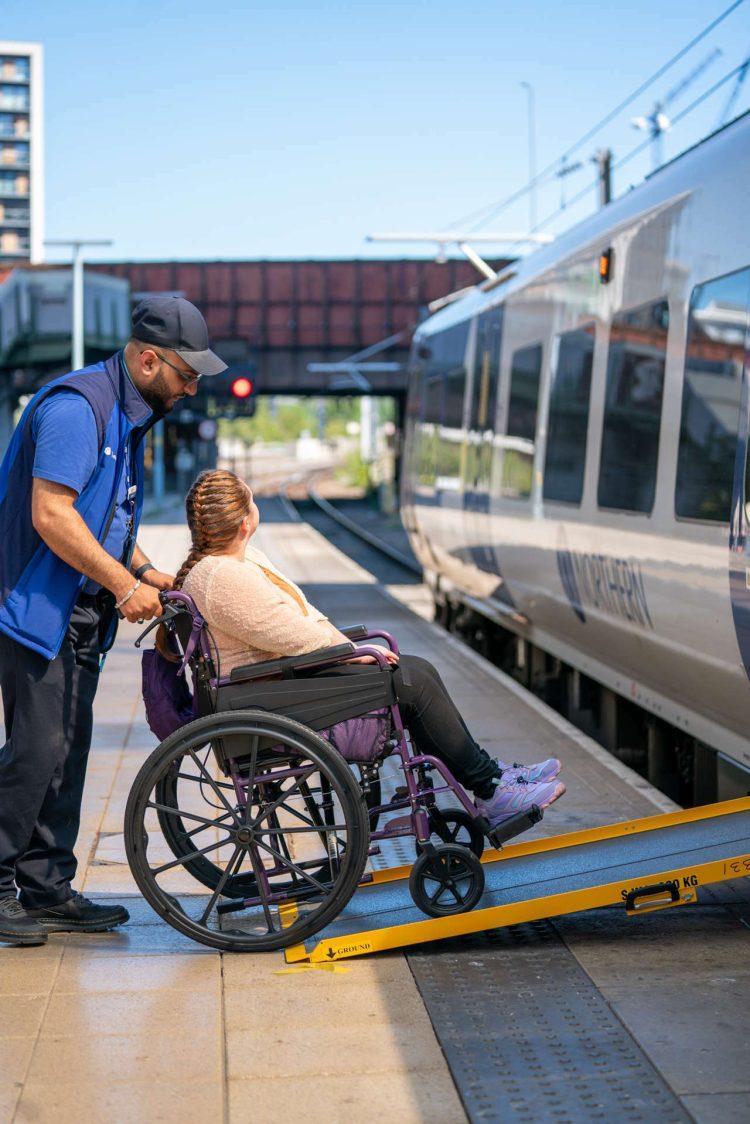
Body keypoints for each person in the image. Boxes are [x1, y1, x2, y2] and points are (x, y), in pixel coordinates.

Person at [0, 295, 228, 947]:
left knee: (67, 748)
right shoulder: (79, 409)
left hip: (74, 613)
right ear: (149, 360)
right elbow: (53, 515)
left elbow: (107, 521)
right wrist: (122, 584)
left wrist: (148, 570)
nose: (191, 390)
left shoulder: (127, 419)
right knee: (36, 747)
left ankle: (45, 888)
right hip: (31, 607)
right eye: (187, 375)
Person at [169, 469, 566, 832]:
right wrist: (346, 651)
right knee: (413, 683)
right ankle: (491, 789)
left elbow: (293, 625)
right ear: (245, 522)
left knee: (416, 671)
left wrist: (343, 648)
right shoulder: (221, 576)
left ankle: (491, 777)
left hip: (278, 686)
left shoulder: (227, 565)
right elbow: (287, 633)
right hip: (275, 697)